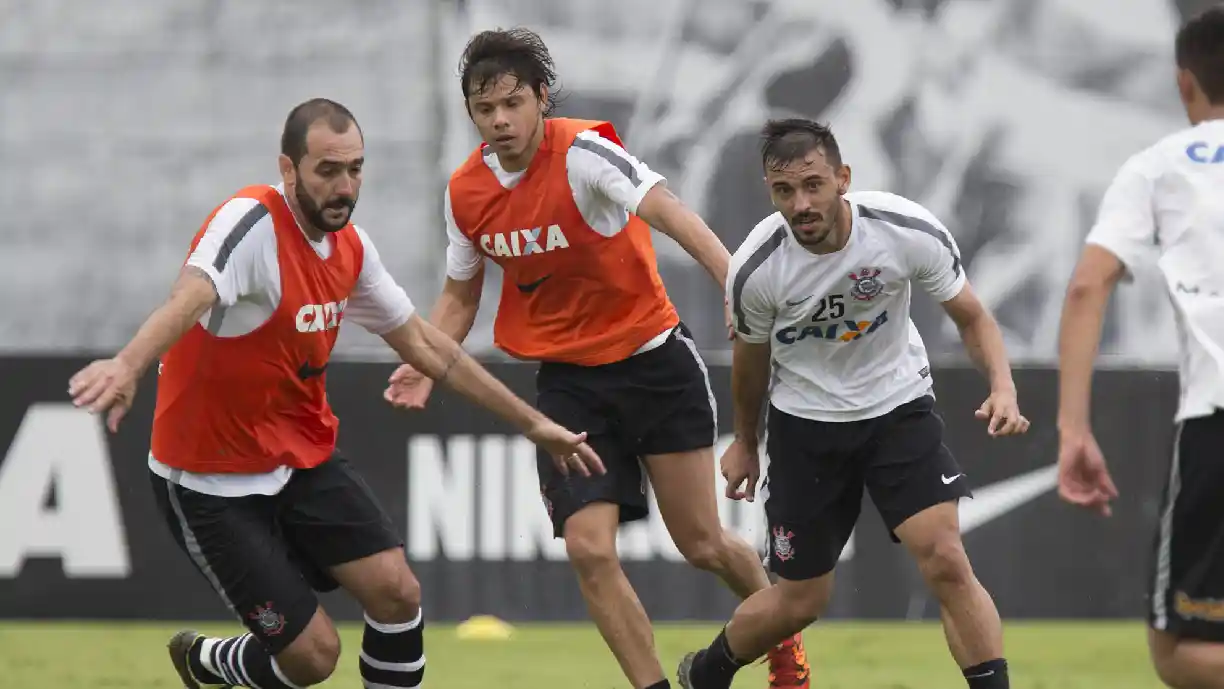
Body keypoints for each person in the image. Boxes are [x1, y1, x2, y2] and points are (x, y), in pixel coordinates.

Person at [67, 98, 603, 689]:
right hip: (209, 480)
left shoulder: (351, 249)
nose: (344, 186)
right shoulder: (248, 225)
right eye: (328, 170)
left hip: (300, 457)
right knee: (312, 659)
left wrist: (533, 424)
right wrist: (128, 364)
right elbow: (188, 299)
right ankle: (211, 662)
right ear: (289, 168)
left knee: (398, 593)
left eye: (355, 168)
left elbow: (429, 348)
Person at [384, 28, 811, 689]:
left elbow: (670, 214)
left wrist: (736, 286)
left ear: (540, 98)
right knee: (588, 548)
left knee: (702, 543)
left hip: (654, 364)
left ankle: (783, 647)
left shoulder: (585, 151)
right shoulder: (465, 193)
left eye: (512, 103)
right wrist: (423, 355)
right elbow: (459, 298)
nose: (499, 120)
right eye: (484, 108)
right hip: (568, 388)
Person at [677, 118, 1030, 689]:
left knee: (944, 558)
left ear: (843, 178)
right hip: (806, 429)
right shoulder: (756, 268)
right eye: (784, 191)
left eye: (813, 185)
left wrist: (1003, 385)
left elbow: (971, 315)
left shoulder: (903, 229)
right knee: (799, 602)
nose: (801, 204)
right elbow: (750, 361)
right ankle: (709, 672)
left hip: (898, 408)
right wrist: (746, 441)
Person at [1055, 6, 1224, 688]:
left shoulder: (1158, 167)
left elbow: (1087, 286)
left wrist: (1072, 429)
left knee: (1180, 646)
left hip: (1216, 417)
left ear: (1185, 83)